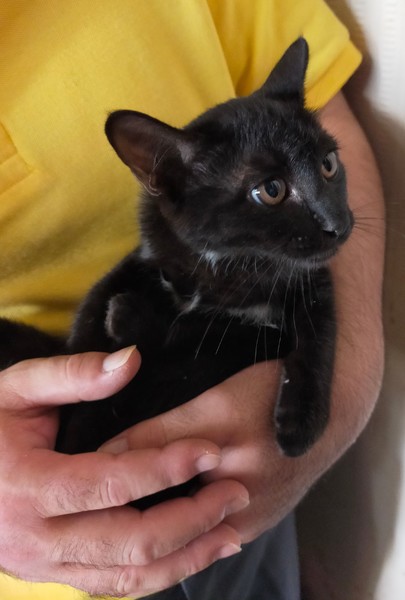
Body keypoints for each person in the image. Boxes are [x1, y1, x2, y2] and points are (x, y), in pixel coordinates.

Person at [0, 1, 384, 599]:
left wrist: (339, 396)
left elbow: (328, 110)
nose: (335, 222)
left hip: (242, 468)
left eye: (326, 167)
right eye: (273, 190)